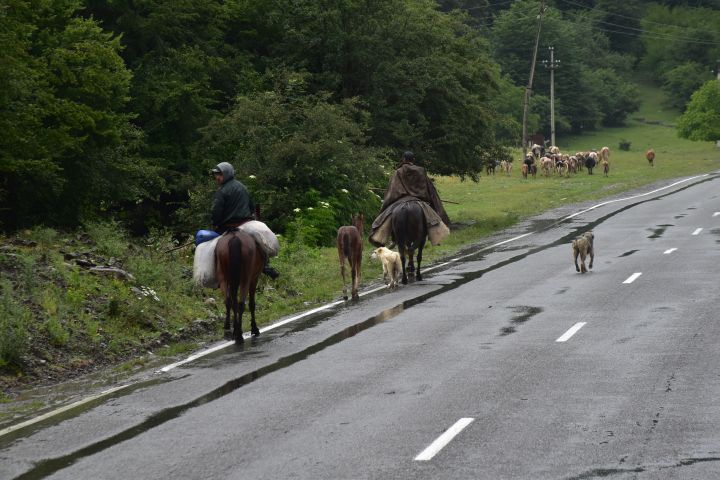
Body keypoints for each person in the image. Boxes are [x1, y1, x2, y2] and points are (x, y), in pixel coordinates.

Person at [211, 162, 279, 280]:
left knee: (211, 246)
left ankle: (214, 273)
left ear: (226, 174)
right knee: (260, 243)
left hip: (227, 226)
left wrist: (215, 224)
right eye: (216, 175)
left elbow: (216, 212)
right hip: (247, 224)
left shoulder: (221, 191)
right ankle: (265, 265)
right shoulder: (242, 187)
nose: (217, 177)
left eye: (219, 174)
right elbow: (251, 206)